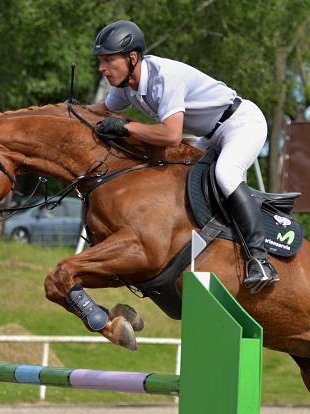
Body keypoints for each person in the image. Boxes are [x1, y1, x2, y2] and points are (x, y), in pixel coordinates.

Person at [88, 20, 278, 292]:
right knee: (177, 175)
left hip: (241, 123)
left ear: (132, 58)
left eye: (108, 60)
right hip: (211, 135)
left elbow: (171, 136)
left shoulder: (165, 78)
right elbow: (100, 111)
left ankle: (260, 261)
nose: (102, 68)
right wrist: (67, 111)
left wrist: (127, 127)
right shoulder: (124, 85)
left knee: (226, 174)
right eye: (101, 61)